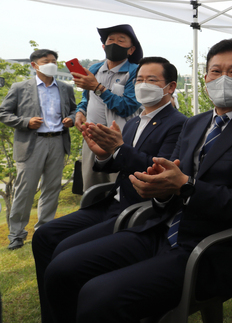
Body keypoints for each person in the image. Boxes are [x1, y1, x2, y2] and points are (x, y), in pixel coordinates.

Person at [43, 38, 232, 323]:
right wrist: (160, 189)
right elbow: (170, 183)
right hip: (159, 229)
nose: (222, 79)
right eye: (215, 72)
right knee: (62, 269)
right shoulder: (195, 123)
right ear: (205, 77)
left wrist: (184, 186)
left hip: (208, 249)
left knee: (100, 296)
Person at [32, 57, 187, 323]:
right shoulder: (137, 120)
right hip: (111, 201)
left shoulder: (179, 124)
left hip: (136, 210)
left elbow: (158, 172)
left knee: (65, 254)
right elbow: (123, 161)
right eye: (139, 80)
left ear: (170, 87)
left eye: (152, 80)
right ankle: (56, 313)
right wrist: (104, 155)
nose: (143, 85)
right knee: (44, 236)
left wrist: (119, 149)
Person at [0, 49, 76, 250]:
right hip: (32, 143)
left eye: (54, 61)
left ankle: (44, 231)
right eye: (46, 61)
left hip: (58, 141)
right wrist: (25, 121)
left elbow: (75, 110)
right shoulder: (20, 87)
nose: (51, 64)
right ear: (34, 65)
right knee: (25, 191)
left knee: (51, 189)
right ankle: (16, 235)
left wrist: (72, 119)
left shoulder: (66, 88)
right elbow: (3, 112)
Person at [73, 24, 143, 191]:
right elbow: (86, 98)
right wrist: (80, 112)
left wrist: (98, 88)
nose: (114, 44)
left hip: (119, 140)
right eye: (110, 40)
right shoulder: (94, 69)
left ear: (131, 50)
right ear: (104, 46)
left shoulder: (135, 72)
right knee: (91, 186)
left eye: (121, 41)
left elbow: (128, 106)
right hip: (92, 137)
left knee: (117, 187)